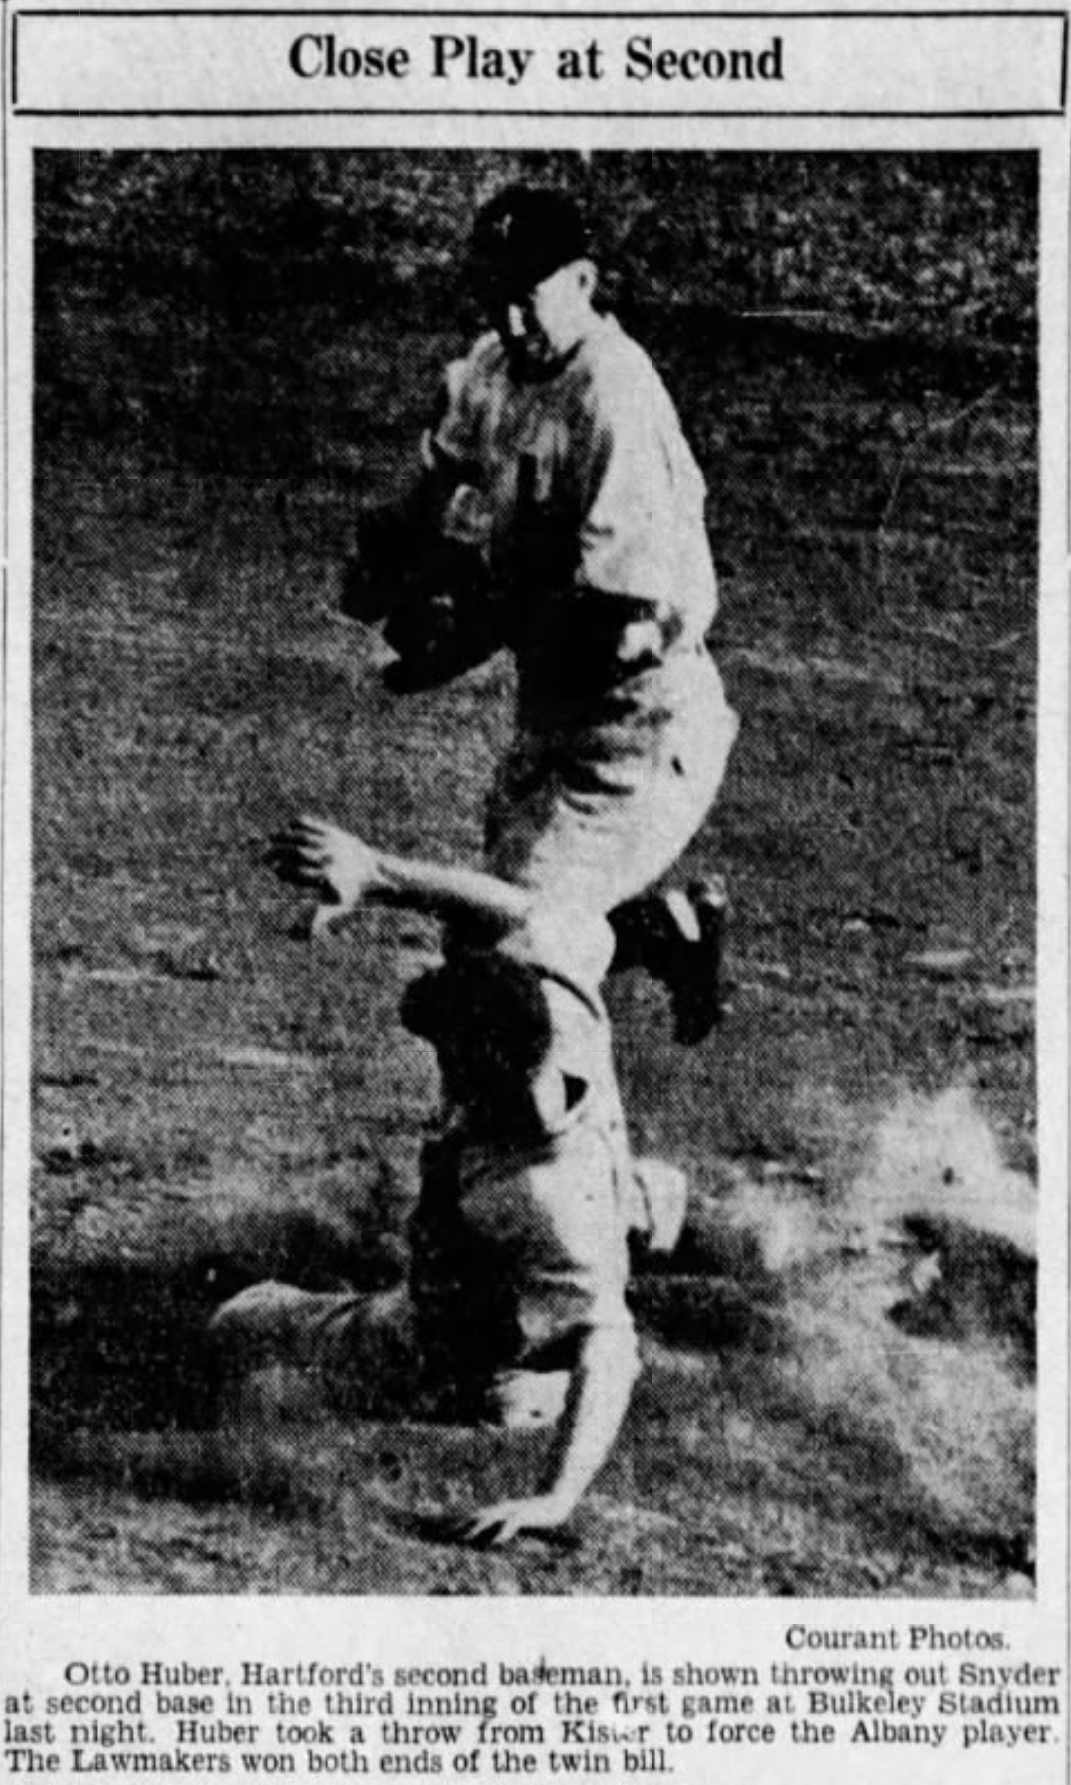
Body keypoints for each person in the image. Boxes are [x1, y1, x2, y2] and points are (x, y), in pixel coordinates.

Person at [210, 815, 687, 1545]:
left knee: (241, 1333)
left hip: (478, 1315)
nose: (441, 1067)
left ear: (483, 1065)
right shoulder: (556, 999)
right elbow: (522, 910)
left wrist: (555, 1497)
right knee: (610, 1214)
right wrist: (375, 872)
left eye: (450, 1055)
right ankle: (664, 1222)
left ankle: (524, 1386)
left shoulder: (540, 1192)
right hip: (602, 1196)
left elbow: (609, 1344)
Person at [343, 185, 738, 1044]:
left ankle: (583, 1174)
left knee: (520, 961)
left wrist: (458, 632)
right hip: (552, 720)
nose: (513, 316)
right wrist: (388, 561)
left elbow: (604, 619)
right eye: (496, 293)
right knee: (482, 946)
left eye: (531, 292)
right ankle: (666, 929)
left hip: (640, 726)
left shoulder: (615, 396)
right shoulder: (492, 365)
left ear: (586, 280)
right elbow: (428, 492)